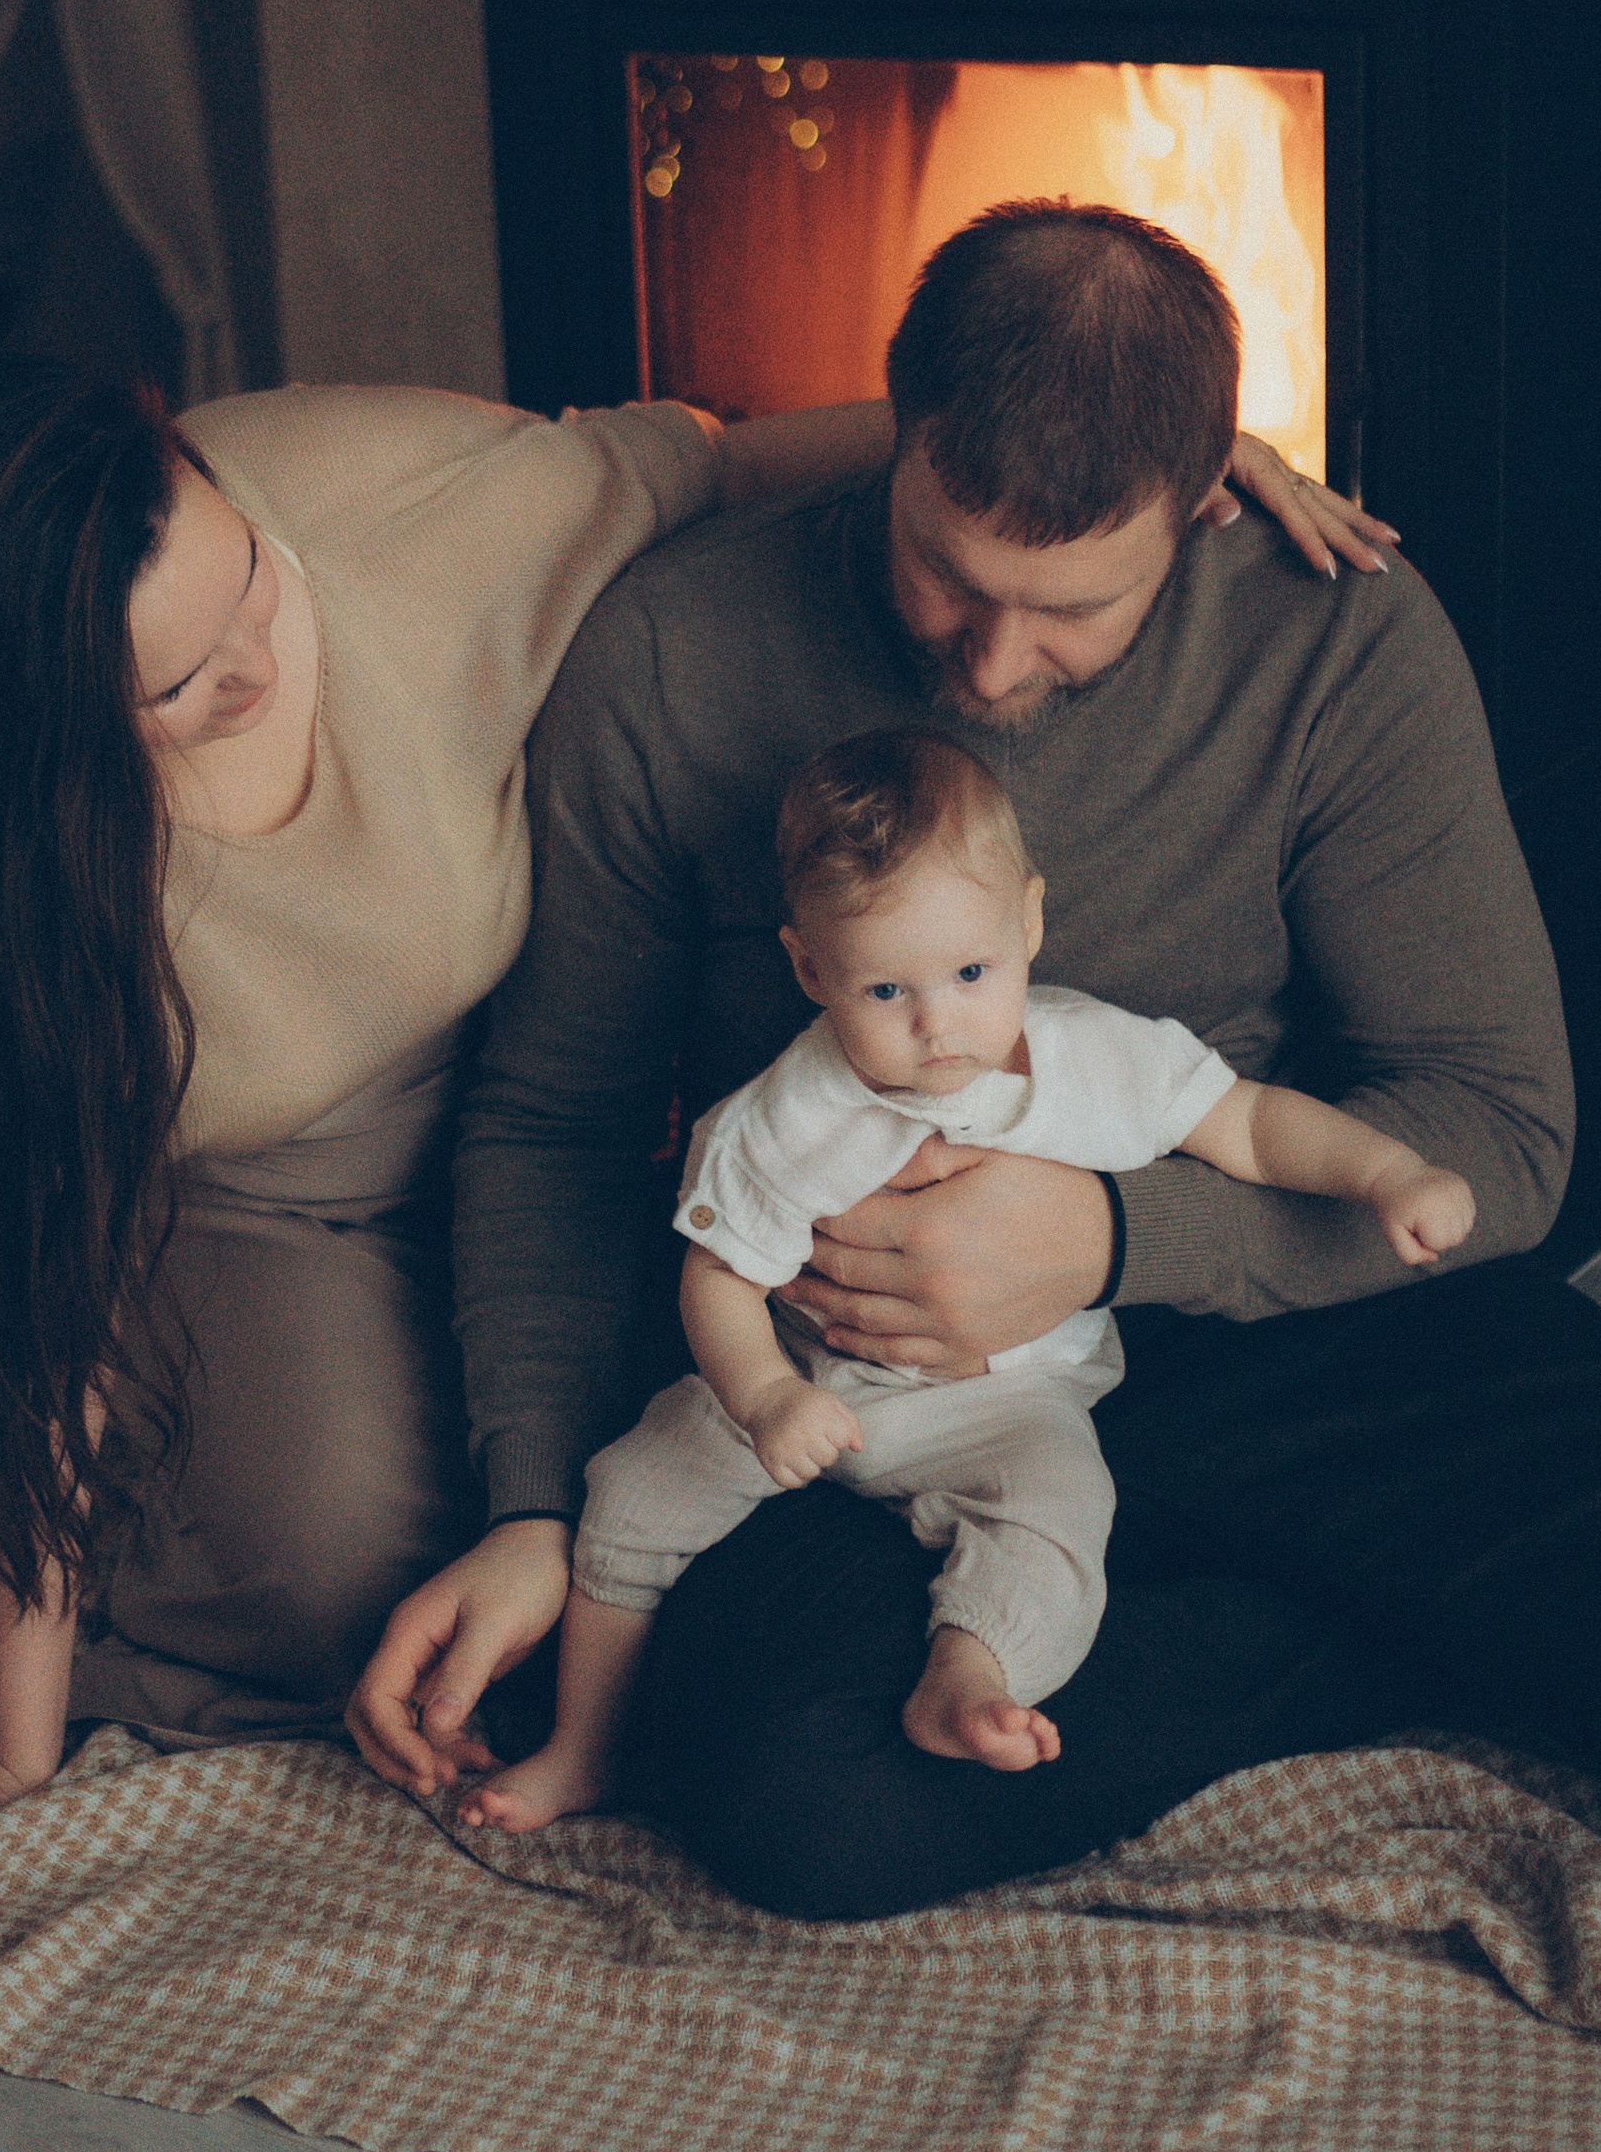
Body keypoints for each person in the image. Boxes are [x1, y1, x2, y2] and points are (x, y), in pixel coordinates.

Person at [350, 202, 1601, 1979]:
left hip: (1281, 1302)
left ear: (1207, 492)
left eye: (1070, 607)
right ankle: (1382, 1623)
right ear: (895, 433)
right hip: (870, 1390)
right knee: (795, 1793)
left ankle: (1375, 1576)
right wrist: (534, 1497)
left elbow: (1499, 1123)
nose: (990, 666)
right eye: (946, 572)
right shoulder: (675, 653)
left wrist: (1114, 1231)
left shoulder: (1333, 637)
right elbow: (548, 1121)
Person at [0, 344, 1368, 1862]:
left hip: (546, 1114)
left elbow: (718, 459)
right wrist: (13, 1747)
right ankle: (193, 1457)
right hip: (258, 1190)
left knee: (661, 1482)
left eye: (243, 585)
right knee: (382, 1592)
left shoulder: (385, 492)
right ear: (34, 723)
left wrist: (1141, 458)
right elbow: (29, 1303)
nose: (254, 656)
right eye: (181, 688)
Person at [465, 725, 1472, 1835]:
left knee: (1058, 1503)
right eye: (887, 987)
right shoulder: (780, 1117)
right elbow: (716, 1280)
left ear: (1029, 922)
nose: (937, 1022)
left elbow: (1250, 1124)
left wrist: (1387, 1170)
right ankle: (584, 1743)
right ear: (809, 967)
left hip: (1004, 1395)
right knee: (632, 1495)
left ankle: (972, 1671)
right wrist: (762, 1396)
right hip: (805, 1382)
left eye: (972, 973)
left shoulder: (1093, 1056)